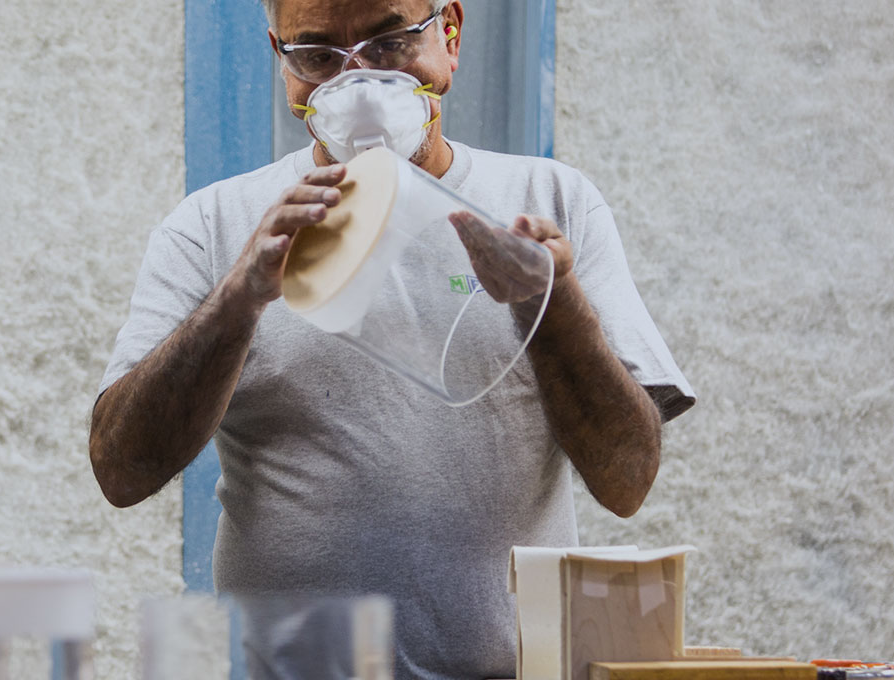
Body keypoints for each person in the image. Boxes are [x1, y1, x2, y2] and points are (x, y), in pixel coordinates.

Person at [90, 0, 695, 677]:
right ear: (281, 62)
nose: (359, 82)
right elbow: (121, 469)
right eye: (317, 55)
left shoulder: (551, 201)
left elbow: (627, 478)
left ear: (451, 35)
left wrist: (551, 307)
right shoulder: (213, 225)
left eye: (387, 42)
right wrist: (240, 297)